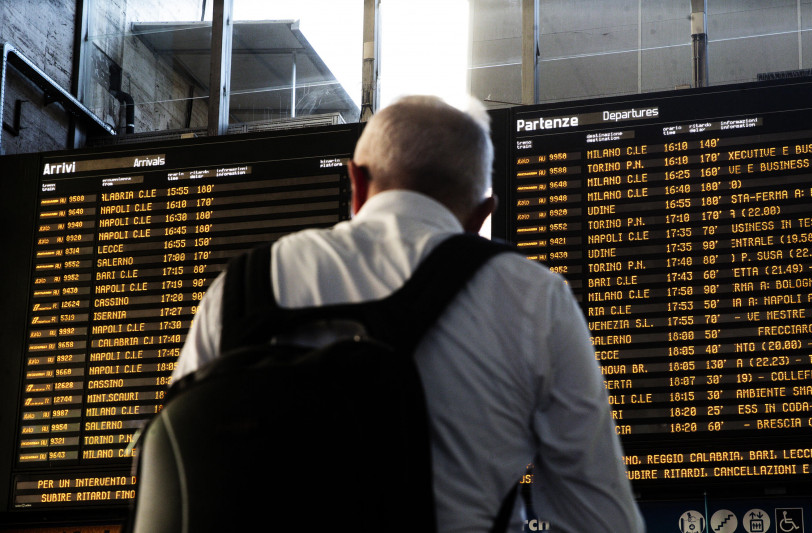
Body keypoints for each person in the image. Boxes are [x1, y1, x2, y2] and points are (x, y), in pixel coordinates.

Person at [171, 95, 644, 532]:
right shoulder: (534, 296)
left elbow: (171, 474)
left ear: (356, 182)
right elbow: (602, 520)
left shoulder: (241, 285)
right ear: (482, 215)